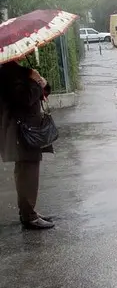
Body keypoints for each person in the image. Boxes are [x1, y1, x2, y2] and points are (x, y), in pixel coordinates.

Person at [0, 59, 55, 230]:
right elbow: (25, 98)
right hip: (22, 132)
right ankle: (29, 216)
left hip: (25, 129)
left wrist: (40, 82)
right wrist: (35, 80)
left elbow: (42, 90)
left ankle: (28, 212)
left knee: (27, 171)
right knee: (27, 173)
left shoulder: (16, 70)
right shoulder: (8, 73)